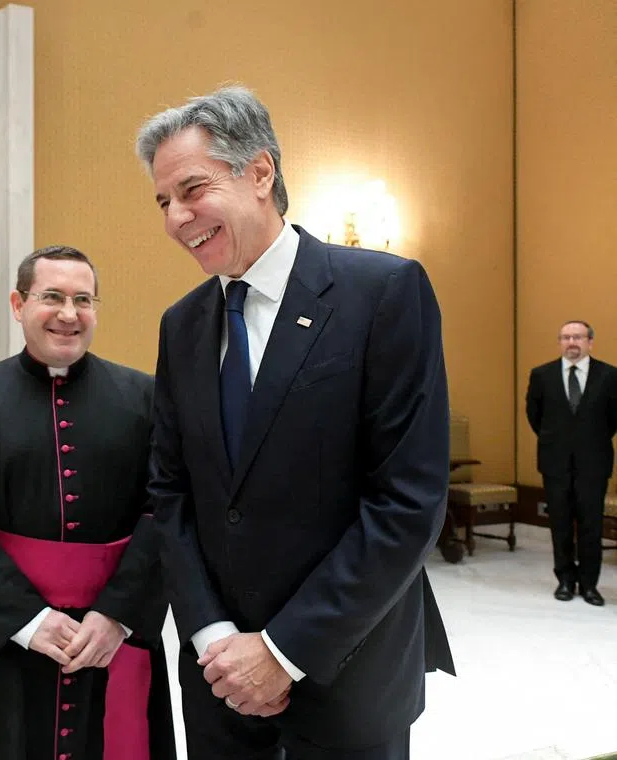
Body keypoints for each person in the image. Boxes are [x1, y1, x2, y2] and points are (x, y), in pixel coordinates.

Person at [137, 86, 454, 759]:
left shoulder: (383, 294)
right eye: (163, 201)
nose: (176, 217)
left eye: (191, 189)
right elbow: (170, 496)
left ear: (259, 172)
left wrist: (283, 651)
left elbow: (406, 503)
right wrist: (211, 636)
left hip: (348, 669)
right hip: (219, 678)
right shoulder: (182, 325)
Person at [0, 245, 175, 760]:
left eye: (83, 300)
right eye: (52, 297)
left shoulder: (146, 398)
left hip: (112, 637)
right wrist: (27, 620)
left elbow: (167, 510)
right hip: (4, 639)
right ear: (18, 304)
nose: (69, 314)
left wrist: (117, 616)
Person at [525, 320, 617, 606]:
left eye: (577, 337)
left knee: (591, 525)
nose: (571, 342)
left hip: (594, 462)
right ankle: (565, 580)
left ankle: (589, 585)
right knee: (560, 523)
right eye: (565, 337)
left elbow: (613, 419)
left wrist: (588, 441)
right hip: (555, 463)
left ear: (590, 341)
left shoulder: (610, 376)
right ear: (560, 342)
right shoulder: (542, 375)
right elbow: (534, 416)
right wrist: (560, 441)